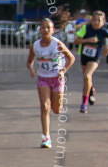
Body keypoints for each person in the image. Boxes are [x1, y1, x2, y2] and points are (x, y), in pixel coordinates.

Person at [26, 18, 75, 149]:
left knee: (56, 109)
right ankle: (46, 137)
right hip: (43, 78)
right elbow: (29, 62)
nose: (46, 30)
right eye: (43, 27)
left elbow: (71, 58)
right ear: (40, 30)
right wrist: (31, 69)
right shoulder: (35, 46)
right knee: (45, 106)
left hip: (57, 78)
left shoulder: (57, 44)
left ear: (53, 30)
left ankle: (57, 106)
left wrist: (63, 70)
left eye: (48, 27)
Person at [74, 11, 108, 113]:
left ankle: (84, 104)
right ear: (91, 20)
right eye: (95, 20)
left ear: (103, 22)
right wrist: (88, 40)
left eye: (99, 20)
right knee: (86, 78)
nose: (96, 22)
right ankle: (91, 90)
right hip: (84, 56)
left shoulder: (103, 31)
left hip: (95, 57)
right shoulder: (86, 29)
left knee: (88, 76)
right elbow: (76, 41)